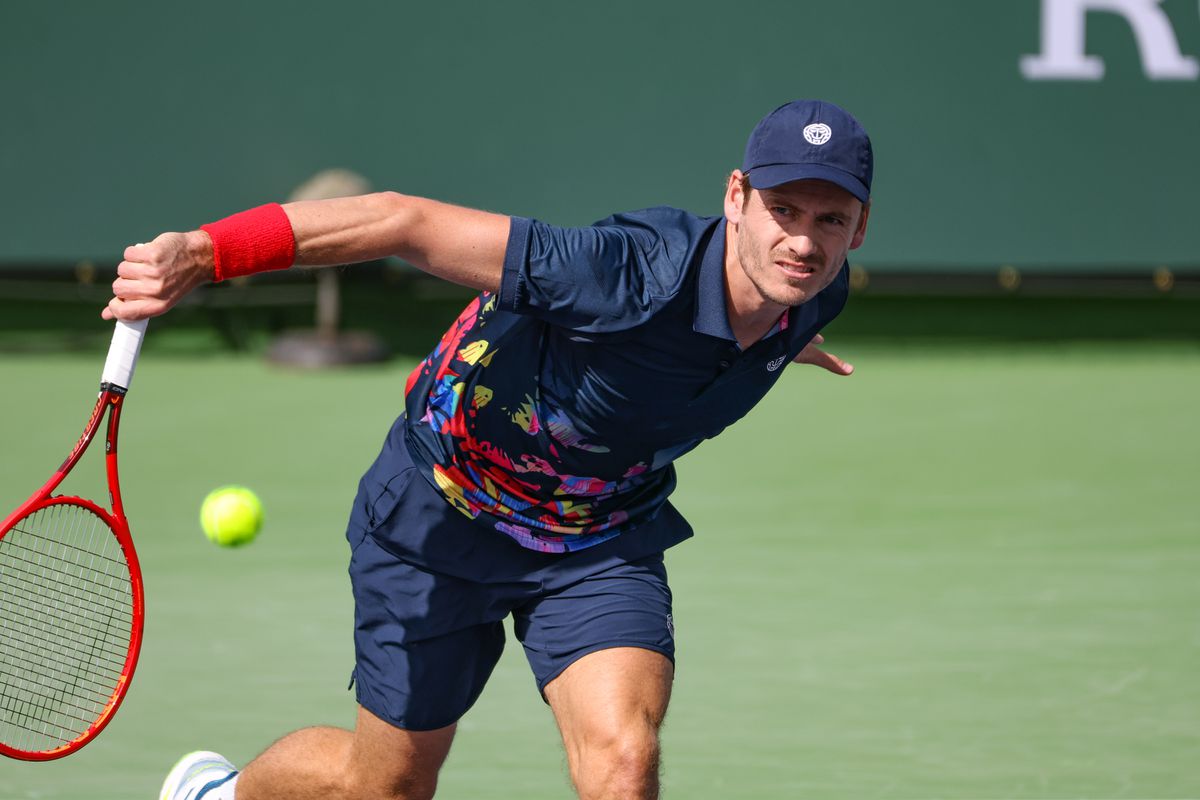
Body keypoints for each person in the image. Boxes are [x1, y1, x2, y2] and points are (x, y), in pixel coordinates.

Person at [116, 99, 872, 800]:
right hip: (440, 516)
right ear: (735, 197)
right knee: (383, 786)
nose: (803, 240)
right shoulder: (616, 272)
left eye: (830, 220)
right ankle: (218, 794)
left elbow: (755, 313)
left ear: (859, 227)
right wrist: (204, 253)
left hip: (598, 537)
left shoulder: (807, 291)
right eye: (782, 211)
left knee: (624, 762)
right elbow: (399, 220)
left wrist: (769, 344)